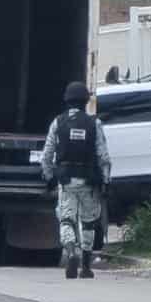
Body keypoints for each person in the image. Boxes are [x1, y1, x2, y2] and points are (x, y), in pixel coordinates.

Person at [40, 81, 111, 279]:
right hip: (89, 182)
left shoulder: (58, 123)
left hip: (66, 180)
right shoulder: (94, 124)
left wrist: (49, 177)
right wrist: (105, 180)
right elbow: (103, 156)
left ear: (67, 100)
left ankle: (71, 253)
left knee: (66, 219)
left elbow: (47, 155)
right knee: (88, 222)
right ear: (86, 101)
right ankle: (86, 266)